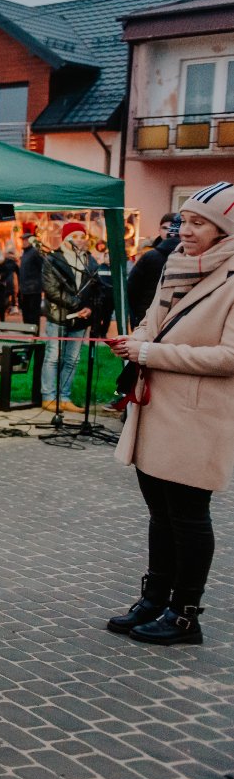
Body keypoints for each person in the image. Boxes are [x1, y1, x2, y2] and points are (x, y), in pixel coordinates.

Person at [105, 183, 234, 645]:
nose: (186, 230)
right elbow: (153, 323)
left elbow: (228, 357)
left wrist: (150, 352)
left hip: (199, 417)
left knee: (188, 514)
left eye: (199, 222)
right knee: (159, 511)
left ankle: (185, 616)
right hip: (158, 408)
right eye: (185, 220)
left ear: (225, 229)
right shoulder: (175, 266)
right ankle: (154, 599)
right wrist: (134, 340)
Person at [40, 222, 100, 413]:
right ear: (66, 238)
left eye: (83, 237)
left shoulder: (90, 261)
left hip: (81, 318)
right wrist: (78, 305)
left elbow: (97, 289)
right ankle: (48, 397)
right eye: (76, 236)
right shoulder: (53, 259)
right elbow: (50, 289)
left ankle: (64, 397)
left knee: (72, 359)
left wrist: (89, 308)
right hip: (58, 316)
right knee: (53, 357)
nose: (81, 240)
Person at [127, 213, 181, 326]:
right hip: (146, 315)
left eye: (170, 228)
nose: (167, 232)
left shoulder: (189, 257)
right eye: (165, 228)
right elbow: (132, 288)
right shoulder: (149, 254)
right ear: (159, 229)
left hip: (171, 317)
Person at [18, 226, 45, 326]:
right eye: (23, 240)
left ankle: (34, 335)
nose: (23, 242)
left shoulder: (35, 252)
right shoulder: (25, 253)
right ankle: (28, 334)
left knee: (33, 314)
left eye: (25, 240)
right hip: (25, 289)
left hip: (33, 289)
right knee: (26, 314)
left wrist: (39, 285)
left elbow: (42, 268)